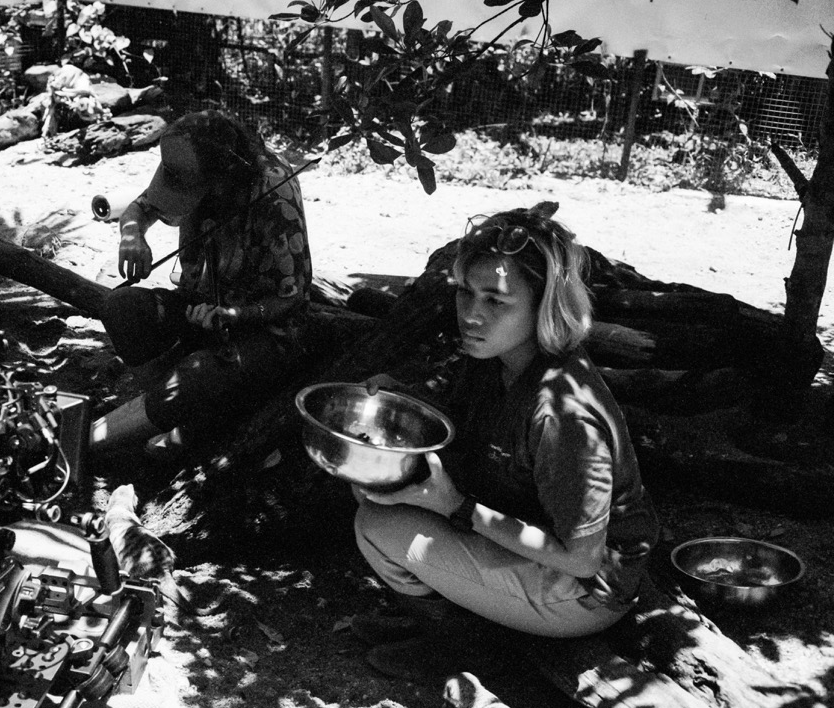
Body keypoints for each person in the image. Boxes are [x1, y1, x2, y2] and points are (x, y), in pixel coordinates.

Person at [349, 203, 659, 678]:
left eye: (496, 301)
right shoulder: (500, 357)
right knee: (374, 490)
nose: (471, 316)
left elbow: (582, 558)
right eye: (465, 293)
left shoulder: (561, 414)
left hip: (587, 592)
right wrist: (401, 397)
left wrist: (457, 508)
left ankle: (468, 648)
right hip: (531, 535)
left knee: (377, 524)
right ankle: (461, 617)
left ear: (544, 305)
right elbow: (456, 420)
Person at [89, 109, 311, 457]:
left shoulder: (273, 195)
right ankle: (166, 409)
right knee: (121, 306)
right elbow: (141, 208)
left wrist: (235, 315)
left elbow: (291, 297)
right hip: (202, 307)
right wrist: (132, 235)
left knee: (198, 375)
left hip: (264, 329)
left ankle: (176, 419)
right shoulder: (190, 166)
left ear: (221, 179)